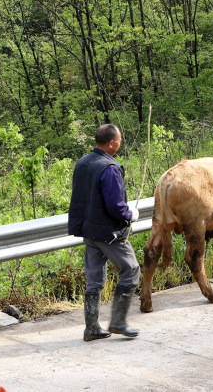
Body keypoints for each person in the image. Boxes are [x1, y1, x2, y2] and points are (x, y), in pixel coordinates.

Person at [68, 123, 140, 341]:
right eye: (118, 140)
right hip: (109, 234)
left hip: (88, 230)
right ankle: (118, 322)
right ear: (111, 143)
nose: (120, 143)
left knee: (94, 280)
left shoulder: (83, 163)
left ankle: (92, 328)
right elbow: (115, 206)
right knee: (131, 270)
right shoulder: (109, 168)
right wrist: (130, 214)